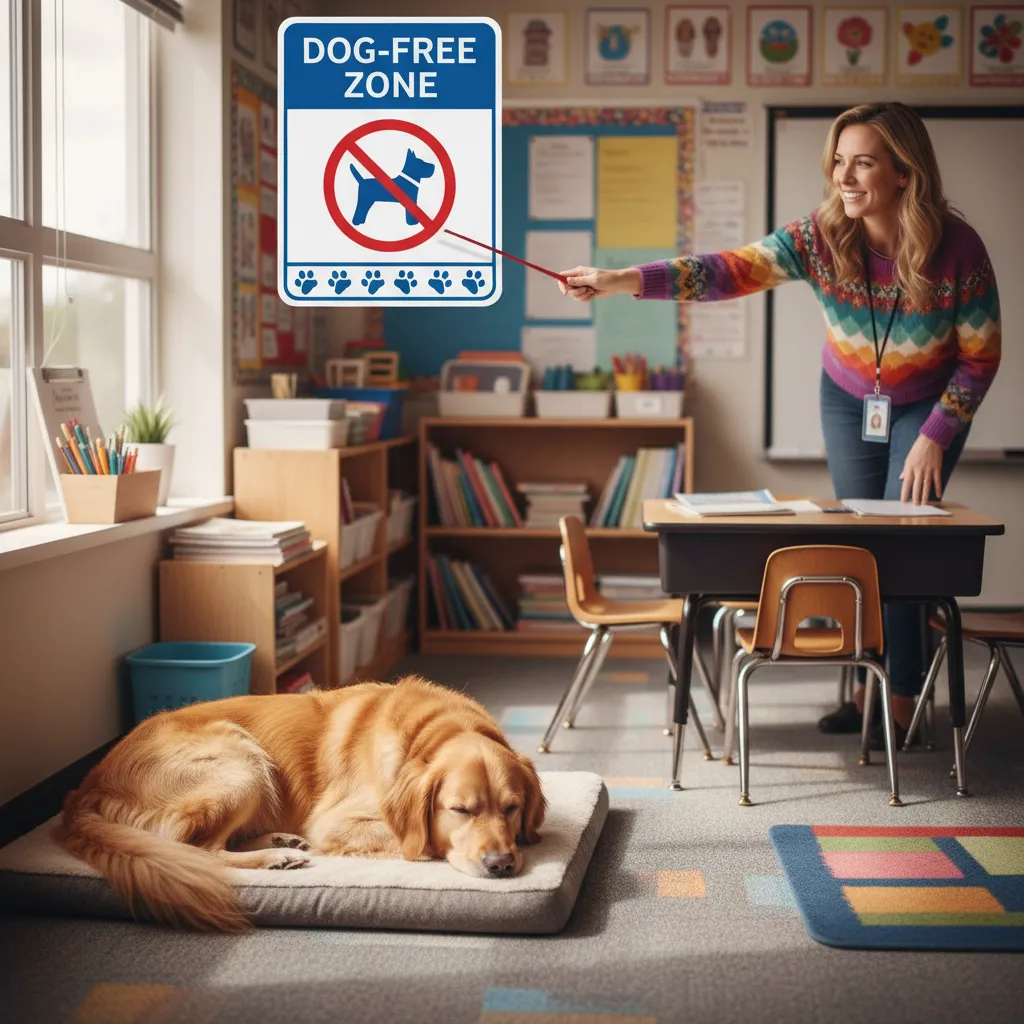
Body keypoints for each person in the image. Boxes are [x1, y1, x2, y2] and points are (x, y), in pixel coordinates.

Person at [558, 101, 1002, 749]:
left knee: (905, 543)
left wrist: (938, 432)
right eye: (839, 162)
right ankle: (862, 685)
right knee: (859, 544)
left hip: (930, 405)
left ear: (905, 173)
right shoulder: (820, 237)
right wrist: (625, 280)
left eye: (864, 163)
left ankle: (901, 696)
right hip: (850, 398)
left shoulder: (958, 250)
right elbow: (725, 271)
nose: (845, 178)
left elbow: (981, 354)